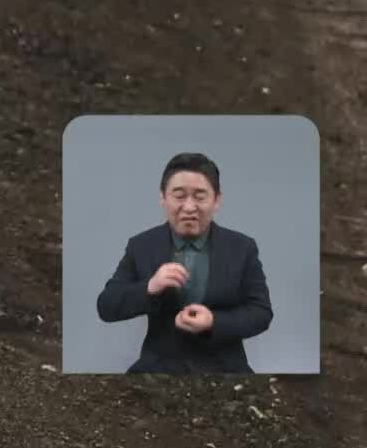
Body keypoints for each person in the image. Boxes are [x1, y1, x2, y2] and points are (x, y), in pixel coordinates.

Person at [95, 152, 273, 373]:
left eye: (200, 196)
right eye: (179, 196)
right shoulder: (141, 245)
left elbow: (261, 312)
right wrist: (150, 287)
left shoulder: (242, 248)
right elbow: (106, 306)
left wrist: (214, 322)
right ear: (163, 198)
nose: (189, 207)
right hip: (158, 368)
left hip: (225, 368)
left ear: (217, 200)